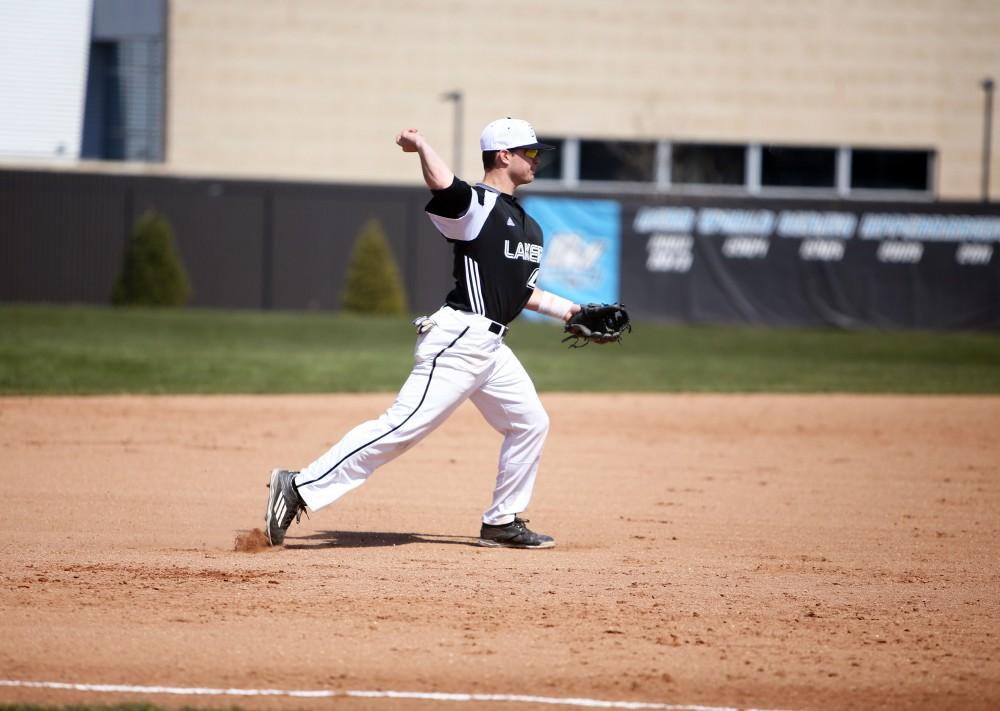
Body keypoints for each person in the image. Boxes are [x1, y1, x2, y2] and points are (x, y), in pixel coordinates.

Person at [264, 117, 582, 549]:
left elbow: (521, 291)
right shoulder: (477, 205)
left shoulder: (528, 225)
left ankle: (502, 521)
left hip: (492, 347)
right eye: (530, 152)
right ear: (504, 156)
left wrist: (572, 311)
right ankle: (298, 486)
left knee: (530, 422)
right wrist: (421, 146)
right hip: (459, 338)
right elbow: (444, 186)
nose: (536, 159)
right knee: (400, 429)